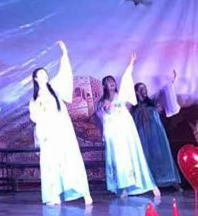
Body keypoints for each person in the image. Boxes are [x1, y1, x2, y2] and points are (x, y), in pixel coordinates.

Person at [29, 41, 92, 206]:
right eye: (41, 74)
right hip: (48, 134)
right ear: (35, 78)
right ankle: (54, 194)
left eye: (45, 74)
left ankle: (83, 192)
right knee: (51, 163)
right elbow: (35, 118)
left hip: (62, 130)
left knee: (69, 158)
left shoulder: (54, 88)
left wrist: (64, 53)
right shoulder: (34, 100)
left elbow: (64, 74)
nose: (44, 76)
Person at [96, 53, 160, 199]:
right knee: (119, 158)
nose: (111, 83)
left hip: (126, 130)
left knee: (133, 154)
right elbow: (102, 117)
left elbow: (126, 80)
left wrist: (131, 64)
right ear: (104, 86)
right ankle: (123, 186)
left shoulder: (121, 96)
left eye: (112, 80)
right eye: (108, 81)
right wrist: (106, 109)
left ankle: (149, 185)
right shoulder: (102, 102)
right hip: (114, 133)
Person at [132, 71, 182, 189]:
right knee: (146, 157)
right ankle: (151, 183)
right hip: (143, 136)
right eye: (141, 88)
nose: (144, 90)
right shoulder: (134, 107)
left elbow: (164, 93)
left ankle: (173, 182)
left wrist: (171, 82)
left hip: (156, 135)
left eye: (145, 88)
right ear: (136, 92)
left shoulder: (152, 103)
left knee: (161, 155)